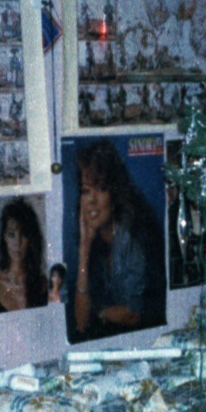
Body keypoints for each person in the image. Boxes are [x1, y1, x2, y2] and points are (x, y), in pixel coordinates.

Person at [71, 138, 162, 339]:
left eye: (101, 188)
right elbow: (82, 323)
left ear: (115, 192)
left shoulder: (132, 234)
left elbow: (133, 314)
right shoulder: (94, 241)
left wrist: (98, 314)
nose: (92, 200)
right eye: (86, 191)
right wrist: (84, 250)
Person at [0, 197, 48, 313]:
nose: (17, 243)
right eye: (11, 234)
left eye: (24, 234)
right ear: (4, 237)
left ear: (31, 239)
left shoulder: (44, 285)